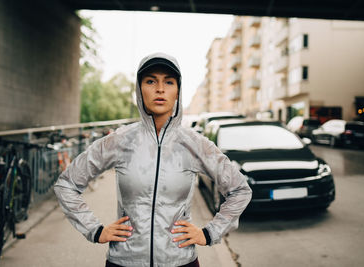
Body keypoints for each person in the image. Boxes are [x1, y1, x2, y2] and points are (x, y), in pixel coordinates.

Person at [54, 52, 252, 267]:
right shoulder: (120, 140)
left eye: (168, 81)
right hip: (124, 261)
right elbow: (67, 184)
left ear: (178, 91)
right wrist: (95, 230)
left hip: (180, 261)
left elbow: (240, 189)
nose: (160, 89)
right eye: (150, 81)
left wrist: (210, 232)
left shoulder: (195, 144)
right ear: (140, 90)